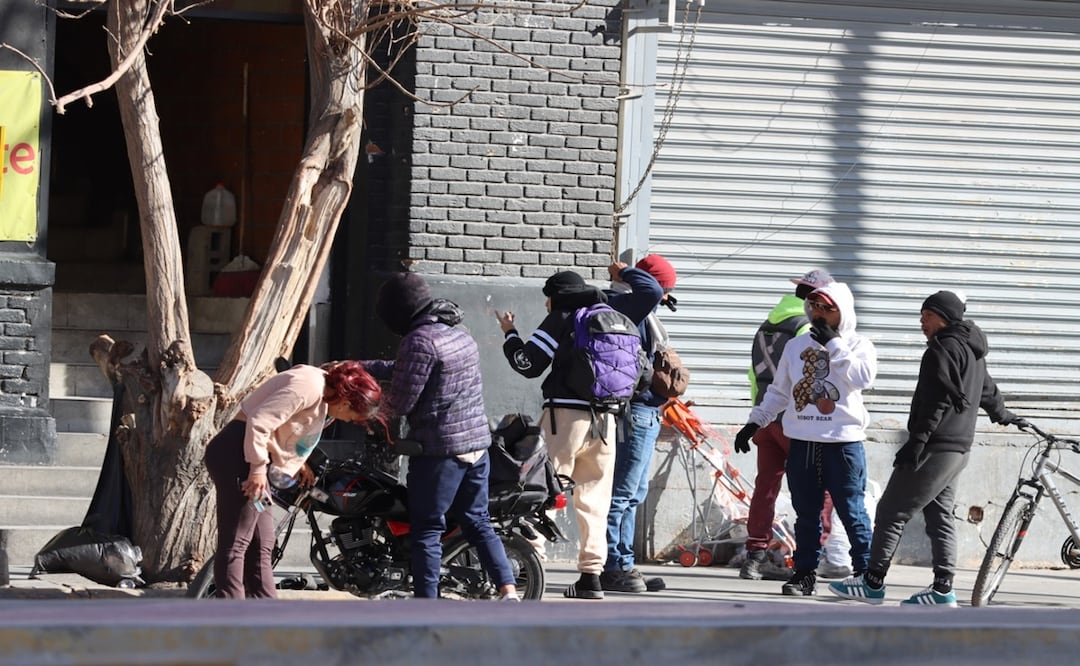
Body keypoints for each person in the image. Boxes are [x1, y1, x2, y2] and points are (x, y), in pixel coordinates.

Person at [829, 290, 1027, 607]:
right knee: (939, 516)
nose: (921, 322)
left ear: (942, 316)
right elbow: (988, 390)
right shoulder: (971, 349)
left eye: (926, 315)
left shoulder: (942, 349)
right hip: (959, 449)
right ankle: (942, 590)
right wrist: (1005, 416)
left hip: (935, 446)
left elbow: (936, 402)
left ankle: (872, 582)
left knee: (892, 511)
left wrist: (916, 445)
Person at [363, 272, 520, 601]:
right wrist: (364, 367)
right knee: (477, 521)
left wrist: (367, 411)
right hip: (477, 447)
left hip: (440, 451)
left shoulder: (418, 340)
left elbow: (403, 400)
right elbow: (409, 367)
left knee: (427, 529)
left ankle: (427, 604)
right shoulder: (457, 334)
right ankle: (508, 589)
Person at [734, 280, 877, 596]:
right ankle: (804, 573)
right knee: (807, 514)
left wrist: (835, 345)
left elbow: (861, 379)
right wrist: (754, 423)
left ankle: (866, 575)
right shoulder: (797, 347)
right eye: (814, 307)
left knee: (852, 510)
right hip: (803, 441)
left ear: (843, 311)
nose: (819, 314)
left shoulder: (858, 345)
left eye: (828, 308)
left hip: (843, 442)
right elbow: (779, 392)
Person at [204, 360, 382, 599]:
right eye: (352, 417)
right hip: (238, 456)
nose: (349, 421)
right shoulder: (308, 386)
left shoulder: (322, 394)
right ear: (346, 402)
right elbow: (259, 421)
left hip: (254, 459)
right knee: (237, 541)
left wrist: (299, 463)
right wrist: (256, 469)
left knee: (263, 542)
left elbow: (288, 430)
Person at [496, 270, 624, 600]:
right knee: (595, 501)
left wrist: (510, 333)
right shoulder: (614, 318)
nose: (545, 302)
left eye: (548, 296)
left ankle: (529, 563)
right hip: (607, 420)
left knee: (541, 489)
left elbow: (529, 363)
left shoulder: (561, 318)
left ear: (558, 297)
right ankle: (591, 577)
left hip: (565, 418)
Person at [736, 269, 836, 581]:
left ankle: (754, 555)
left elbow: (755, 375)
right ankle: (818, 556)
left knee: (766, 486)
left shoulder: (767, 327)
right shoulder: (807, 328)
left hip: (765, 417)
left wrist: (758, 416)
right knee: (820, 487)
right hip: (796, 421)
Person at [601, 255, 673, 593]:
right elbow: (651, 290)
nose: (666, 295)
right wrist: (626, 273)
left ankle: (625, 563)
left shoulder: (643, 310)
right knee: (622, 493)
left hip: (648, 412)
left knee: (633, 493)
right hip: (637, 411)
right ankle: (615, 565)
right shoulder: (625, 305)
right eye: (666, 289)